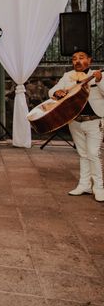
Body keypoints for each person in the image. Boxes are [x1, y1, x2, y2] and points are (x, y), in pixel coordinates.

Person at [49, 49, 104, 201]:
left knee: (93, 153)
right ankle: (84, 185)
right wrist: (57, 92)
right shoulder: (68, 76)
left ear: (90, 60)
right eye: (74, 59)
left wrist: (99, 81)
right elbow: (52, 91)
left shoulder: (99, 75)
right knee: (82, 154)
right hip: (75, 121)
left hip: (94, 120)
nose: (77, 61)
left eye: (81, 58)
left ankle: (99, 187)